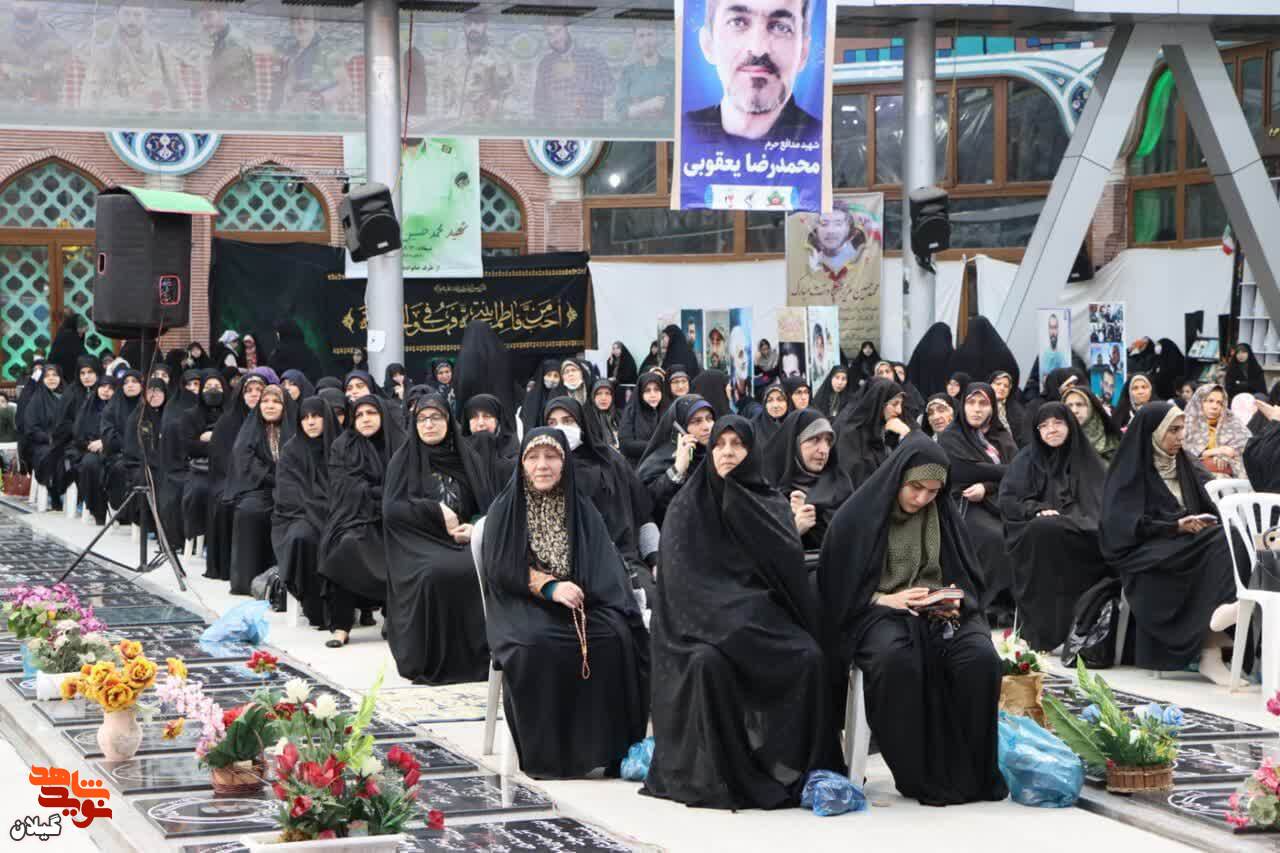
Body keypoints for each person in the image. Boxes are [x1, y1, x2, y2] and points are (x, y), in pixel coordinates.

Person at [644, 415, 841, 808]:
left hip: (760, 620)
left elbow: (785, 574)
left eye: (738, 444)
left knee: (809, 658)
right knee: (708, 664)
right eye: (720, 444)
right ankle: (723, 773)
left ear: (752, 452)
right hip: (699, 628)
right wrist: (736, 615)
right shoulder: (687, 506)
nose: (728, 452)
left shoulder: (768, 502)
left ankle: (793, 769)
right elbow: (682, 584)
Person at [819, 435, 1007, 806]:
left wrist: (952, 600)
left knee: (979, 658)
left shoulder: (943, 517)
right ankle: (917, 773)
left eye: (933, 492)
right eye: (915, 488)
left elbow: (967, 578)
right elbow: (835, 587)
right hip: (876, 612)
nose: (922, 499)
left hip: (935, 613)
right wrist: (883, 599)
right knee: (896, 660)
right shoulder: (858, 517)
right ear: (898, 479)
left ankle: (971, 772)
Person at [477, 428, 649, 779]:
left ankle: (607, 750)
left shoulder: (581, 508)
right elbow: (501, 567)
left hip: (581, 602)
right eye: (533, 457)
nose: (543, 465)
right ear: (522, 464)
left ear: (565, 462)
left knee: (616, 636)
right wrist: (550, 586)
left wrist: (586, 591)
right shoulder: (506, 509)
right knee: (535, 645)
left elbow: (604, 563)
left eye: (552, 456)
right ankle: (551, 756)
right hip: (521, 603)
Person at [1100, 404, 1241, 683]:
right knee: (1220, 543)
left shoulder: (1183, 463)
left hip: (1184, 543)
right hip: (1142, 550)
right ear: (1153, 432)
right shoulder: (1130, 469)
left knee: (1232, 536)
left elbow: (1207, 502)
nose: (1180, 436)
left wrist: (1200, 521)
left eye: (1182, 429)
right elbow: (1122, 526)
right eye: (1173, 430)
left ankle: (1219, 629)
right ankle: (1212, 642)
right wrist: (1174, 526)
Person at [383, 393, 490, 684]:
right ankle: (434, 661)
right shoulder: (403, 460)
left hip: (464, 540)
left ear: (448, 421)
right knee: (436, 574)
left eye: (436, 417)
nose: (428, 425)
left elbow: (489, 505)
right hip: (419, 544)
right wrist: (434, 511)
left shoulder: (468, 458)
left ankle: (481, 659)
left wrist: (475, 527)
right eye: (421, 419)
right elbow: (392, 510)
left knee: (479, 568)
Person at [998, 403, 1112, 651]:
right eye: (1044, 425)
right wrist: (1035, 509)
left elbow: (1102, 506)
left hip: (1084, 536)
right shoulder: (1026, 459)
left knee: (1049, 531)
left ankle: (1071, 630)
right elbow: (1009, 500)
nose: (1051, 429)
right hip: (1038, 533)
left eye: (1058, 423)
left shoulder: (1088, 460)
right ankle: (1043, 635)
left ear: (1070, 426)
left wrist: (1072, 520)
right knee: (1042, 531)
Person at [545, 397, 657, 595]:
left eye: (568, 421)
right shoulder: (542, 471)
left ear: (582, 423)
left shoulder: (612, 462)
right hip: (565, 571)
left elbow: (643, 515)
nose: (560, 429)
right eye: (552, 423)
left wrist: (655, 560)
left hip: (623, 560)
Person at [319, 394, 405, 647]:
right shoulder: (343, 446)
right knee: (345, 546)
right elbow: (344, 487)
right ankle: (341, 626)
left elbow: (406, 485)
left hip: (396, 515)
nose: (366, 419)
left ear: (383, 415)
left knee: (400, 546)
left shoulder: (400, 442)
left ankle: (393, 617)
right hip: (353, 515)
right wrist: (381, 493)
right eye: (359, 415)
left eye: (372, 413)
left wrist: (379, 495)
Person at [682, 0, 818, 146]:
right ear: (708, 44)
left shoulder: (820, 138)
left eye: (781, 27)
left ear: (803, 53)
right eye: (737, 22)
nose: (758, 49)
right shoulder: (684, 132)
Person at [937, 383, 1018, 616]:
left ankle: (1013, 603)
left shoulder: (1001, 437)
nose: (977, 409)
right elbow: (961, 471)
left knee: (1024, 534)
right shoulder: (951, 437)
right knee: (994, 538)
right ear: (962, 406)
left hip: (1000, 501)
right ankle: (989, 603)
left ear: (992, 408)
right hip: (962, 503)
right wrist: (1003, 472)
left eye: (983, 403)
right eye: (971, 403)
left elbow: (1018, 473)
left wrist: (987, 486)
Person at [227, 384, 296, 596]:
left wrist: (283, 482)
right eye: (265, 401)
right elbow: (245, 459)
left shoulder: (295, 430)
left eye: (276, 401)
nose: (270, 406)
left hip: (291, 489)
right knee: (248, 511)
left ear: (285, 406)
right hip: (259, 488)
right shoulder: (251, 428)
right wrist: (270, 477)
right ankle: (246, 581)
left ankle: (283, 582)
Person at [205, 372, 265, 581]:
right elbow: (221, 459)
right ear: (241, 394)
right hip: (229, 479)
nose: (254, 395)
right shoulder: (228, 421)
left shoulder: (273, 419)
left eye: (259, 390)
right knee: (226, 504)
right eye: (249, 391)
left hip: (264, 481)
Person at [765, 409, 852, 550]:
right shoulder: (766, 489)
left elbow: (851, 539)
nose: (824, 450)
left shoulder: (840, 485)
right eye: (815, 439)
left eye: (828, 441)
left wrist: (812, 518)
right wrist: (795, 529)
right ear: (794, 442)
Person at [637, 395, 716, 525]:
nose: (707, 426)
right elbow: (646, 500)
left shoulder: (715, 453)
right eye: (696, 421)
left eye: (709, 418)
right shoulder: (662, 459)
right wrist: (677, 469)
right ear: (680, 427)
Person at [835, 378, 912, 489]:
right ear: (879, 403)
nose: (899, 411)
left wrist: (905, 437)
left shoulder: (891, 427)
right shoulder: (851, 435)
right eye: (895, 404)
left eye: (901, 404)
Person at [177, 371, 226, 544]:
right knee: (197, 492)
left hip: (227, 470)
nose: (213, 390)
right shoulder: (190, 415)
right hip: (200, 470)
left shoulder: (230, 414)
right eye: (208, 387)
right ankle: (198, 538)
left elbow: (234, 445)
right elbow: (189, 447)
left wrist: (211, 437)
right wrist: (219, 443)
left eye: (217, 387)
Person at [1181, 383, 1251, 479]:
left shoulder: (1232, 422)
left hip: (1233, 479)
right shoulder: (1186, 424)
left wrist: (1227, 457)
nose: (1215, 406)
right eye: (1210, 401)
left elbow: (1247, 448)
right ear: (1199, 402)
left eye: (1219, 403)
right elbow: (1183, 454)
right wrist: (1216, 451)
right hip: (1195, 478)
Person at [71, 376, 115, 525]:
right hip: (89, 449)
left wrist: (105, 442)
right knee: (90, 465)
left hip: (115, 450)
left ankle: (118, 512)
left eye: (110, 388)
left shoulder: (118, 407)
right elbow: (78, 432)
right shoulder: (88, 406)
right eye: (103, 386)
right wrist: (90, 444)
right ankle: (98, 511)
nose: (106, 391)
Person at [20, 363, 64, 508]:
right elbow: (31, 428)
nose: (51, 379)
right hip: (41, 443)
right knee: (50, 454)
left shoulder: (67, 397)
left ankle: (74, 496)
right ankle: (55, 492)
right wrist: (49, 438)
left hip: (65, 441)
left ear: (60, 377)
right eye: (47, 376)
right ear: (42, 380)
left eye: (55, 375)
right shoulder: (36, 399)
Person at [100, 370, 142, 520]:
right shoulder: (112, 408)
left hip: (144, 456)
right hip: (119, 455)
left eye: (134, 381)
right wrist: (130, 445)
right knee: (120, 469)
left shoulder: (147, 406)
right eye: (126, 382)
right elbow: (109, 438)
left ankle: (141, 518)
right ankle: (122, 514)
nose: (130, 385)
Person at [1063, 387, 1122, 463]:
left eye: (1079, 404)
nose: (1074, 411)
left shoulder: (1111, 440)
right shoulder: (1060, 440)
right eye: (1069, 406)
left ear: (1091, 407)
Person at [619, 371, 667, 464]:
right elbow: (625, 445)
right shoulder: (631, 412)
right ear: (640, 393)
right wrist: (656, 445)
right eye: (647, 390)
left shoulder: (667, 410)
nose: (653, 394)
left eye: (656, 389)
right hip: (637, 466)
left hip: (663, 464)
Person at [521, 358, 564, 436]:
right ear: (543, 376)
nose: (552, 379)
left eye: (556, 376)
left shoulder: (563, 396)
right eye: (549, 375)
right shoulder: (531, 396)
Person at [989, 370, 1026, 448]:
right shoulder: (983, 405)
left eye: (1006, 386)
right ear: (990, 385)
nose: (1002, 388)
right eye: (998, 384)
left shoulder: (1016, 410)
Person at [752, 381, 791, 448]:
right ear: (765, 404)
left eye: (780, 399)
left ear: (787, 402)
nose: (775, 405)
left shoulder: (795, 424)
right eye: (770, 400)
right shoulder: (753, 427)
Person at [590, 378, 621, 450]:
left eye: (607, 393)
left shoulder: (620, 416)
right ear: (593, 396)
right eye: (599, 393)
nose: (603, 398)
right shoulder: (587, 418)